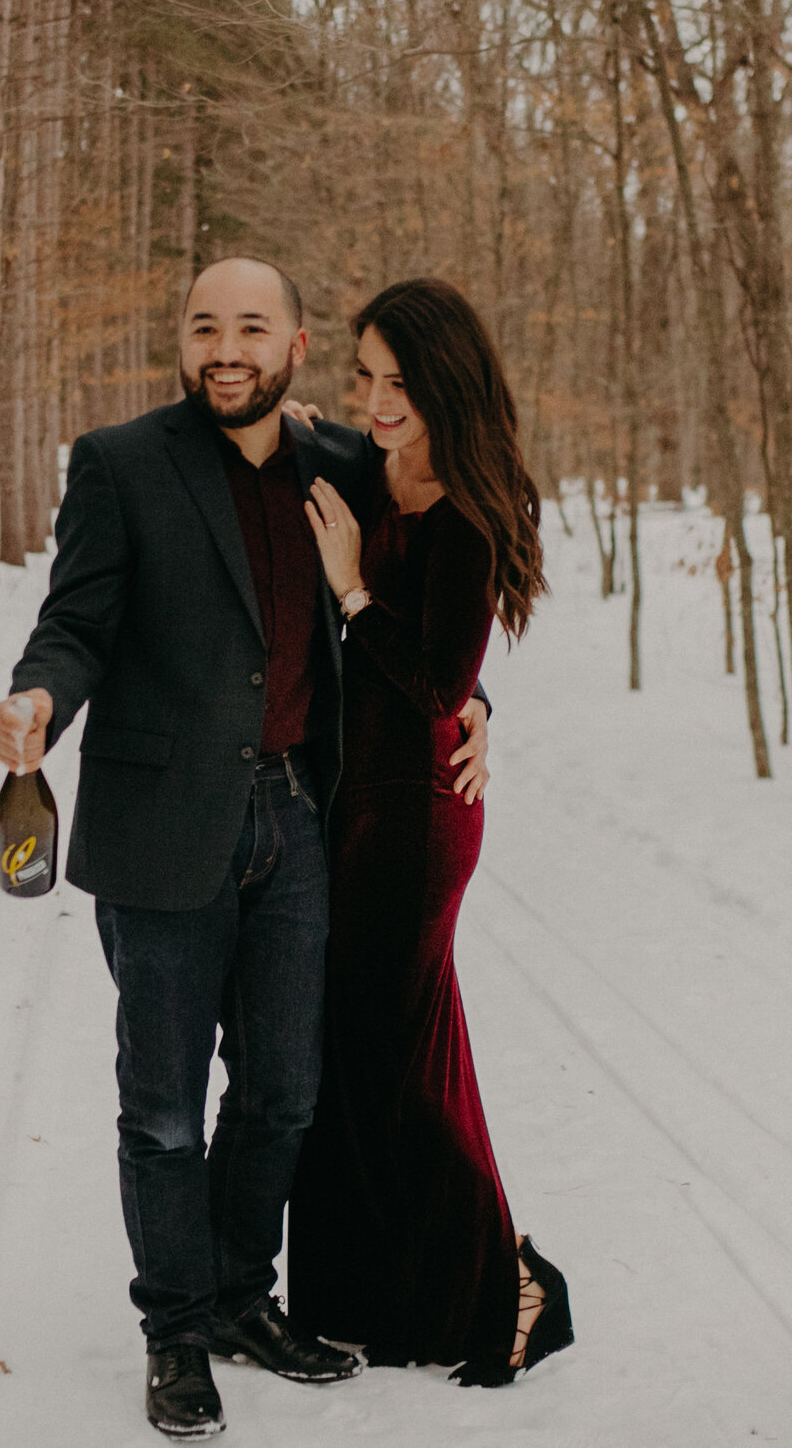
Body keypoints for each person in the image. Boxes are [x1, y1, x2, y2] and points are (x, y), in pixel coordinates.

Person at [0, 256, 492, 1440]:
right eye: (205, 325)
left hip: (299, 823)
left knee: (281, 1094)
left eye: (250, 327)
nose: (225, 346)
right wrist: (36, 701)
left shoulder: (341, 465)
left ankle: (237, 1297)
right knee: (161, 1108)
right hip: (163, 831)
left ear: (294, 344)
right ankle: (174, 1332)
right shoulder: (120, 463)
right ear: (182, 339)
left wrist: (472, 707)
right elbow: (76, 622)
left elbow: (414, 616)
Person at [285, 277, 574, 1386]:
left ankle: (513, 1284)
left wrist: (353, 587)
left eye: (399, 382)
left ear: (445, 383)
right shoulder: (371, 464)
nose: (375, 399)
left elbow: (441, 678)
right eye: (364, 375)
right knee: (359, 1053)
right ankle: (379, 1291)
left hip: (418, 816)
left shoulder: (473, 507)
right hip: (355, 803)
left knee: (401, 1061)